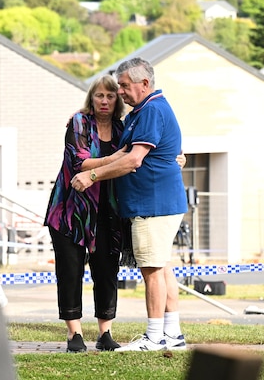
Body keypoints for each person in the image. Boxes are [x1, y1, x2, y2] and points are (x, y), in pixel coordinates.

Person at [71, 57, 188, 352]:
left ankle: (154, 336)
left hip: (153, 204)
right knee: (162, 268)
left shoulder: (151, 110)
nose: (120, 91)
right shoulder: (144, 111)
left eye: (124, 86)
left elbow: (134, 159)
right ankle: (173, 335)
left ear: (144, 83)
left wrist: (92, 175)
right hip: (155, 203)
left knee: (151, 270)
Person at [44, 74, 127, 353]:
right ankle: (74, 334)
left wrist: (179, 154)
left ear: (118, 100)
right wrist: (114, 159)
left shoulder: (122, 129)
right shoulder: (79, 123)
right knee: (70, 271)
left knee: (106, 270)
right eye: (99, 95)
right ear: (91, 98)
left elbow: (144, 148)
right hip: (71, 212)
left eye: (110, 95)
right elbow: (78, 162)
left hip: (107, 211)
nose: (104, 101)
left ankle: (105, 333)